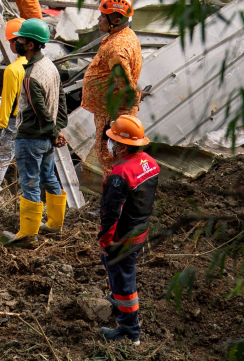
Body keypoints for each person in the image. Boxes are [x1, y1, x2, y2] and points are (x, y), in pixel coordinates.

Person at [96, 116, 159, 345]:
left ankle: (130, 331)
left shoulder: (119, 175)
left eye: (112, 140)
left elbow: (112, 214)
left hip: (122, 238)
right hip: (140, 230)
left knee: (124, 282)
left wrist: (105, 240)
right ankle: (117, 299)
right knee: (116, 271)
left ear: (122, 145)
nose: (109, 144)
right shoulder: (150, 163)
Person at [8, 18, 69, 243]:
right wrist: (58, 128)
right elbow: (60, 98)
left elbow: (40, 108)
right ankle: (54, 224)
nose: (18, 43)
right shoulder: (50, 67)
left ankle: (28, 234)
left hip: (31, 138)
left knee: (30, 183)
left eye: (21, 39)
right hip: (46, 139)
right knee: (50, 177)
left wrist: (54, 132)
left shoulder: (30, 75)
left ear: (31, 45)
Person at [81, 0, 143, 176]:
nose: (98, 19)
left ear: (115, 20)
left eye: (102, 15)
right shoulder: (124, 35)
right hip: (112, 112)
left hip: (112, 114)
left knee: (110, 160)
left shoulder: (117, 47)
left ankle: (114, 199)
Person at [0, 18, 29, 203]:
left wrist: (0, 124)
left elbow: (7, 103)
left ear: (17, 42)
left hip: (14, 122)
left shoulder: (13, 70)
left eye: (10, 41)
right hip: (33, 121)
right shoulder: (41, 66)